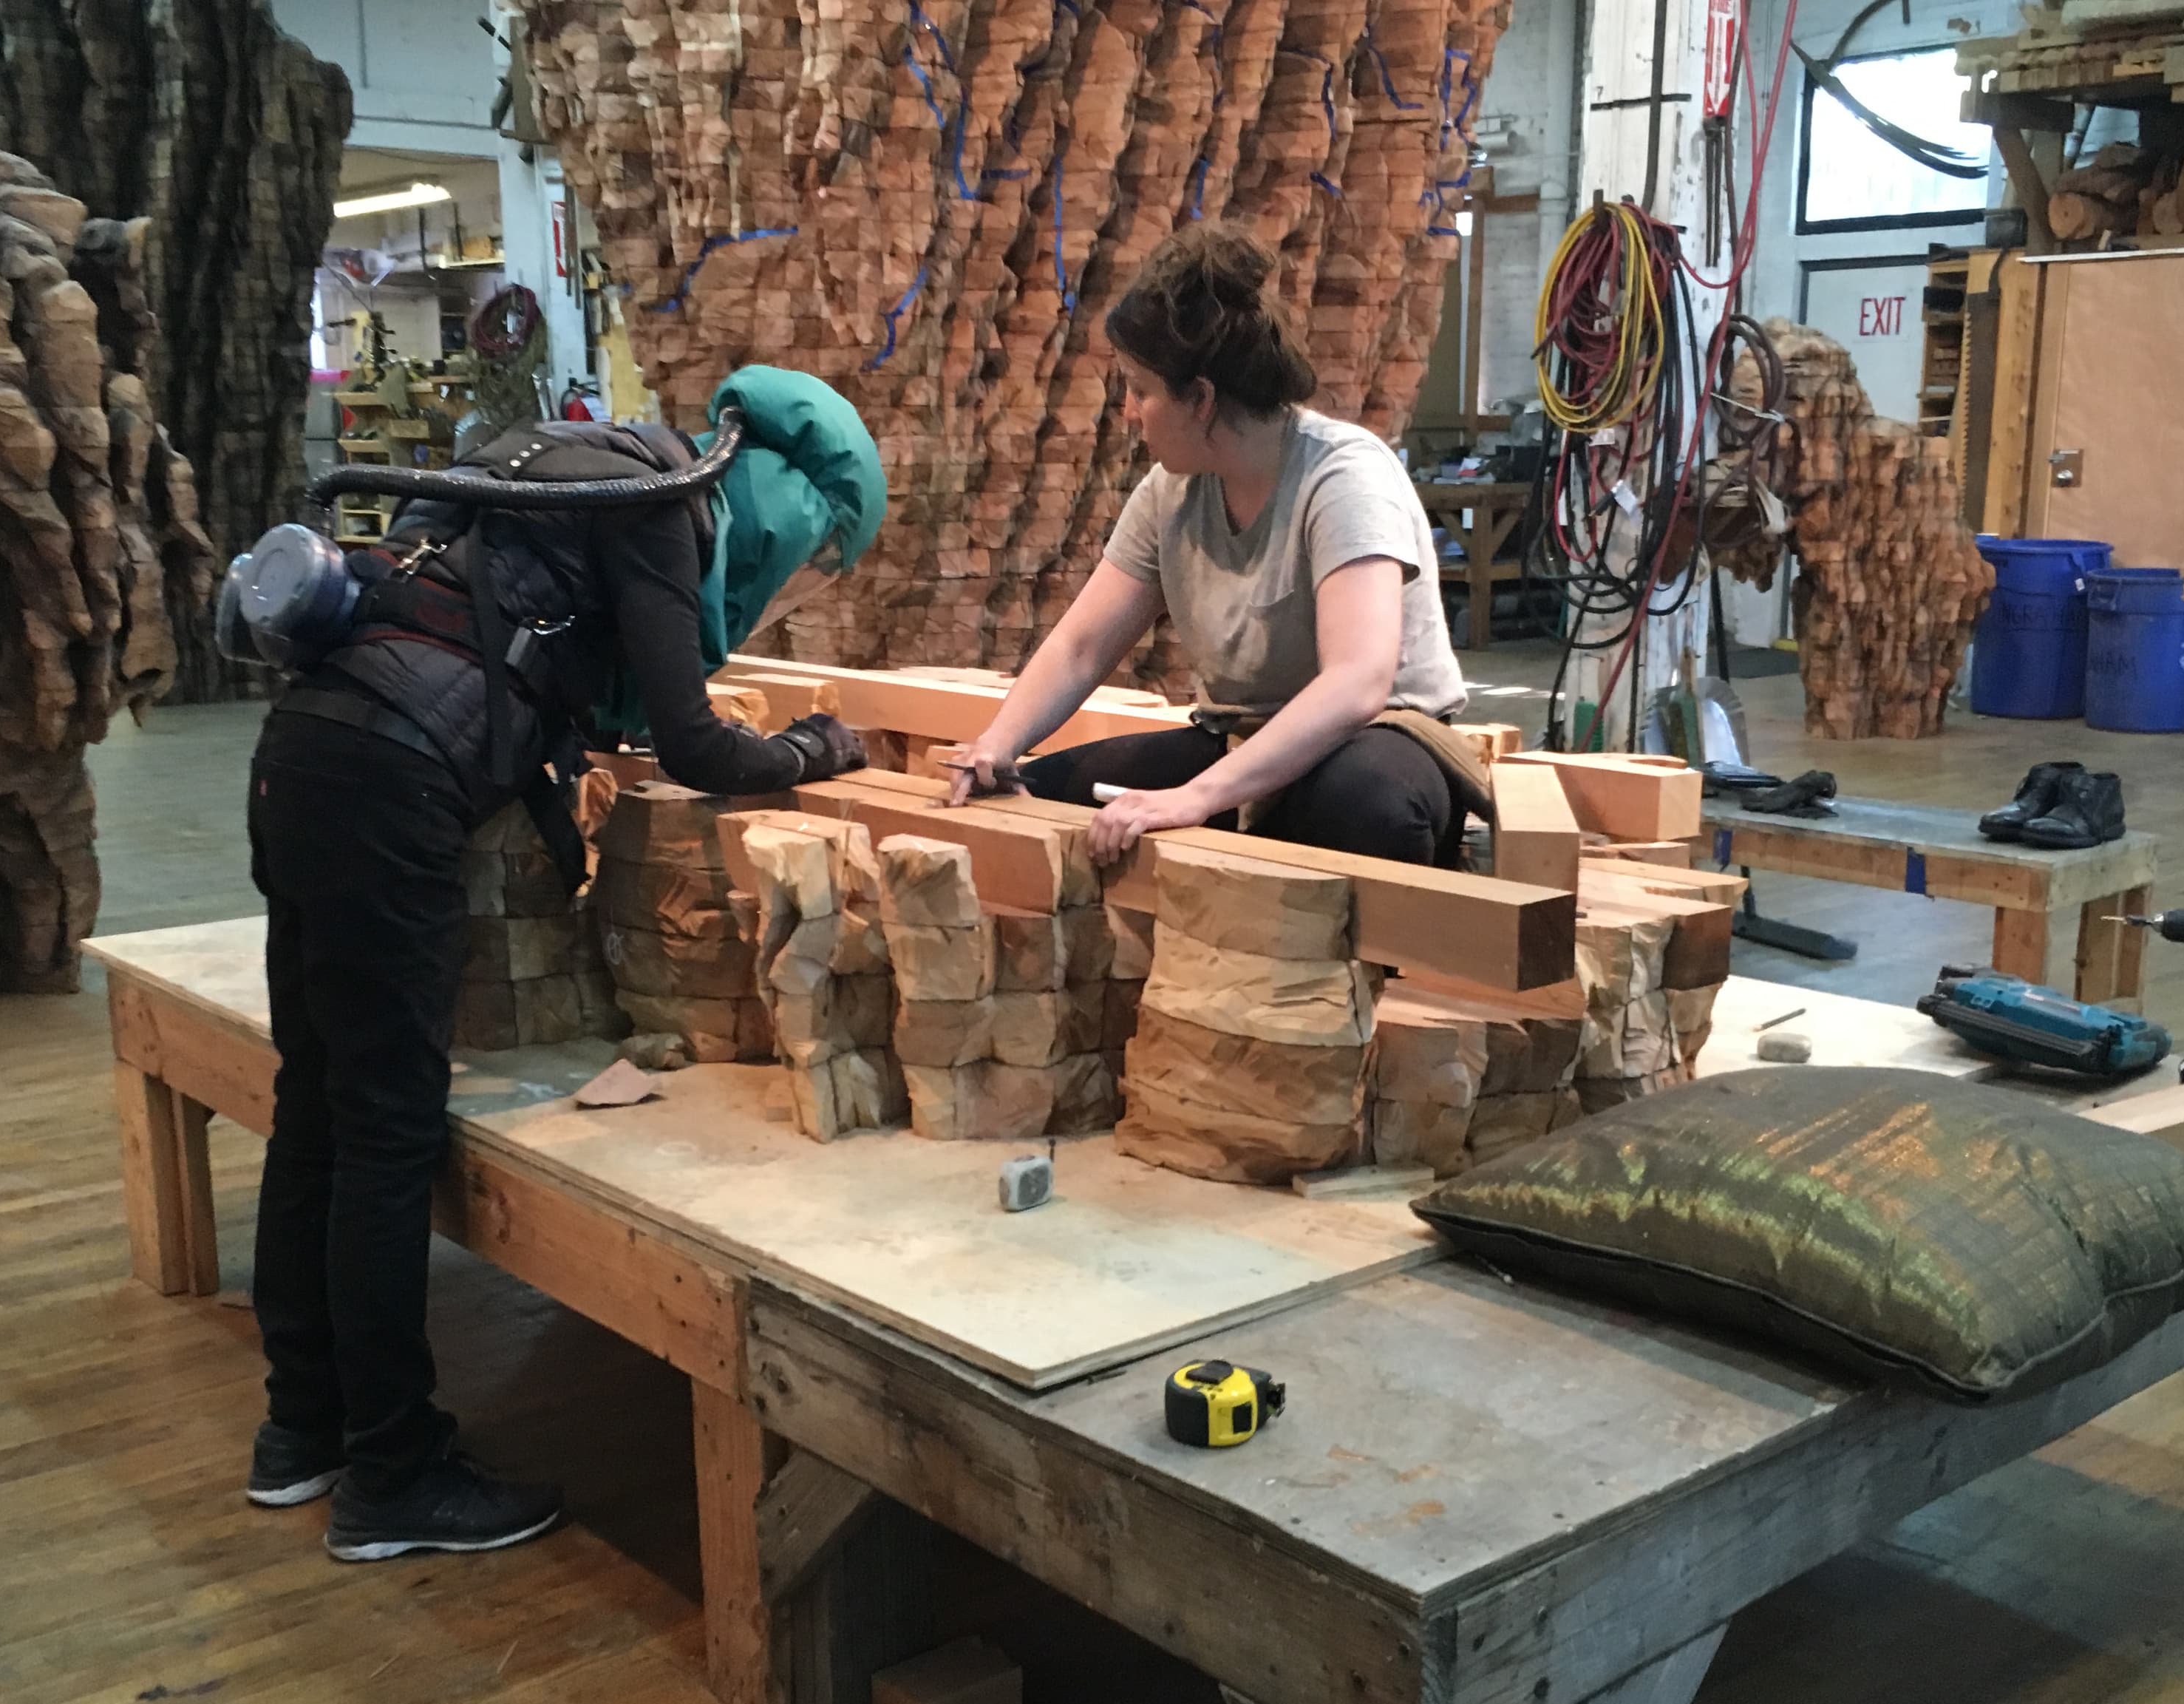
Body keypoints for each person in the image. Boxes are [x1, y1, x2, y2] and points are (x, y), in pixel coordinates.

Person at [241, 367, 881, 1561]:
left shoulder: (536, 460)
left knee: (316, 1106)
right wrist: (813, 747)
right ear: (790, 505)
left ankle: (302, 1432)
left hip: (303, 753)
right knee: (385, 1132)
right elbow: (693, 743)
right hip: (397, 785)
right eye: (813, 553)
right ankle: (391, 1475)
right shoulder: (657, 506)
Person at [949, 224, 1479, 866]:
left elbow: (1357, 683)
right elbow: (1081, 647)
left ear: (1200, 398)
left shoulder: (1343, 476)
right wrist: (999, 744)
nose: (1128, 412)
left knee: (1366, 804)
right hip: (1239, 738)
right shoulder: (1170, 491)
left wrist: (1196, 797)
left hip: (1377, 737)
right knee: (1042, 793)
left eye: (1141, 390)